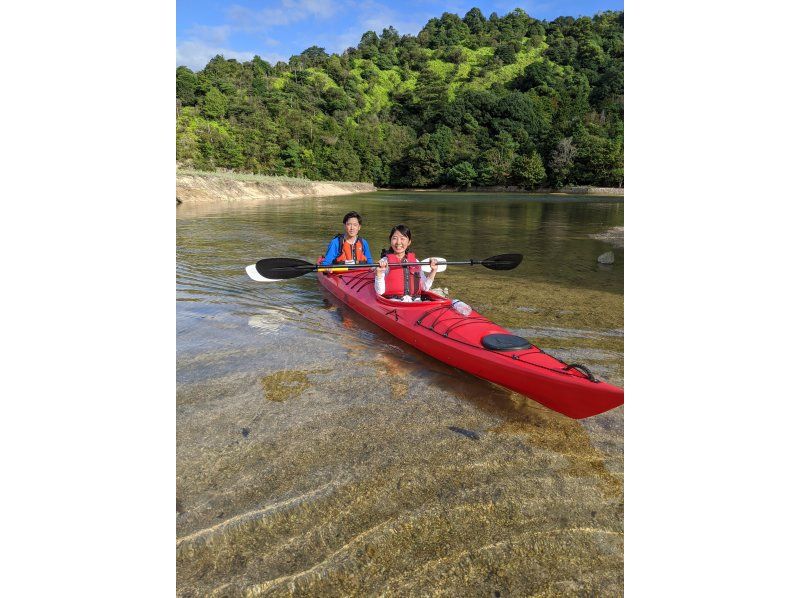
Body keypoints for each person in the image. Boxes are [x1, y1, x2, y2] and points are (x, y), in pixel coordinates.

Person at [375, 224, 438, 301]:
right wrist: (379, 273)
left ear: (409, 242)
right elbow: (380, 291)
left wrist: (433, 271)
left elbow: (425, 287)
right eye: (395, 238)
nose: (398, 242)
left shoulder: (415, 262)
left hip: (415, 301)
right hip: (394, 303)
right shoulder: (384, 262)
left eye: (402, 238)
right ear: (390, 240)